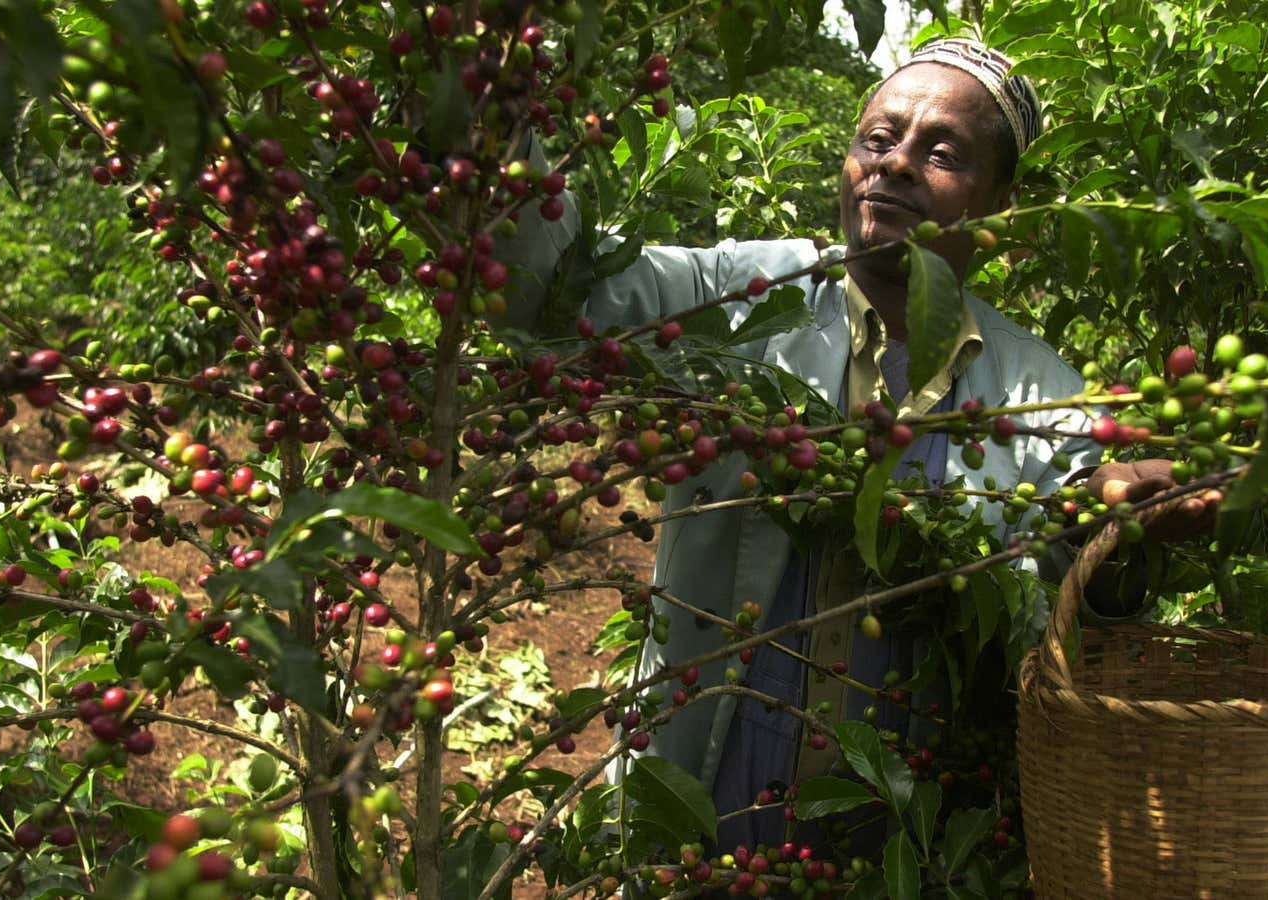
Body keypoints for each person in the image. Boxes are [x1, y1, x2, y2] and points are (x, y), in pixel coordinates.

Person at [500, 37, 1217, 853]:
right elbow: (556, 300)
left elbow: (1070, 581)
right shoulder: (743, 298)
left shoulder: (1039, 391)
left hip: (902, 846)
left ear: (1000, 207)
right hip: (704, 808)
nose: (896, 165)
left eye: (941, 153)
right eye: (877, 140)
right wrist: (500, 134)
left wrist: (1117, 530)